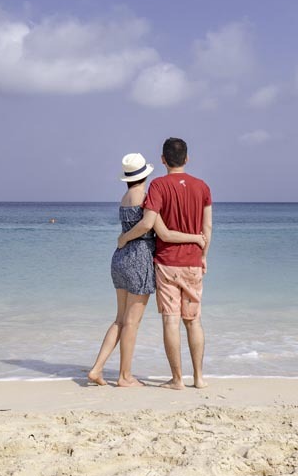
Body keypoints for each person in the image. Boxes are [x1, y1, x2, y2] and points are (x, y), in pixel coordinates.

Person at [87, 152, 205, 387]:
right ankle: (124, 376)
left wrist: (122, 240)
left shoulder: (125, 196)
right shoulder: (146, 196)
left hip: (120, 259)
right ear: (146, 174)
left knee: (120, 319)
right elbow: (157, 230)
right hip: (139, 258)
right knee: (132, 322)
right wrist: (196, 238)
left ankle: (97, 368)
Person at [117, 138, 212, 390]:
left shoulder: (158, 186)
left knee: (171, 320)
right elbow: (207, 227)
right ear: (187, 158)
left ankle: (177, 380)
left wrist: (124, 238)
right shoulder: (202, 187)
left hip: (167, 262)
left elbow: (154, 225)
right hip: (193, 261)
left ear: (162, 159)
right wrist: (203, 255)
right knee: (193, 321)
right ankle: (199, 378)